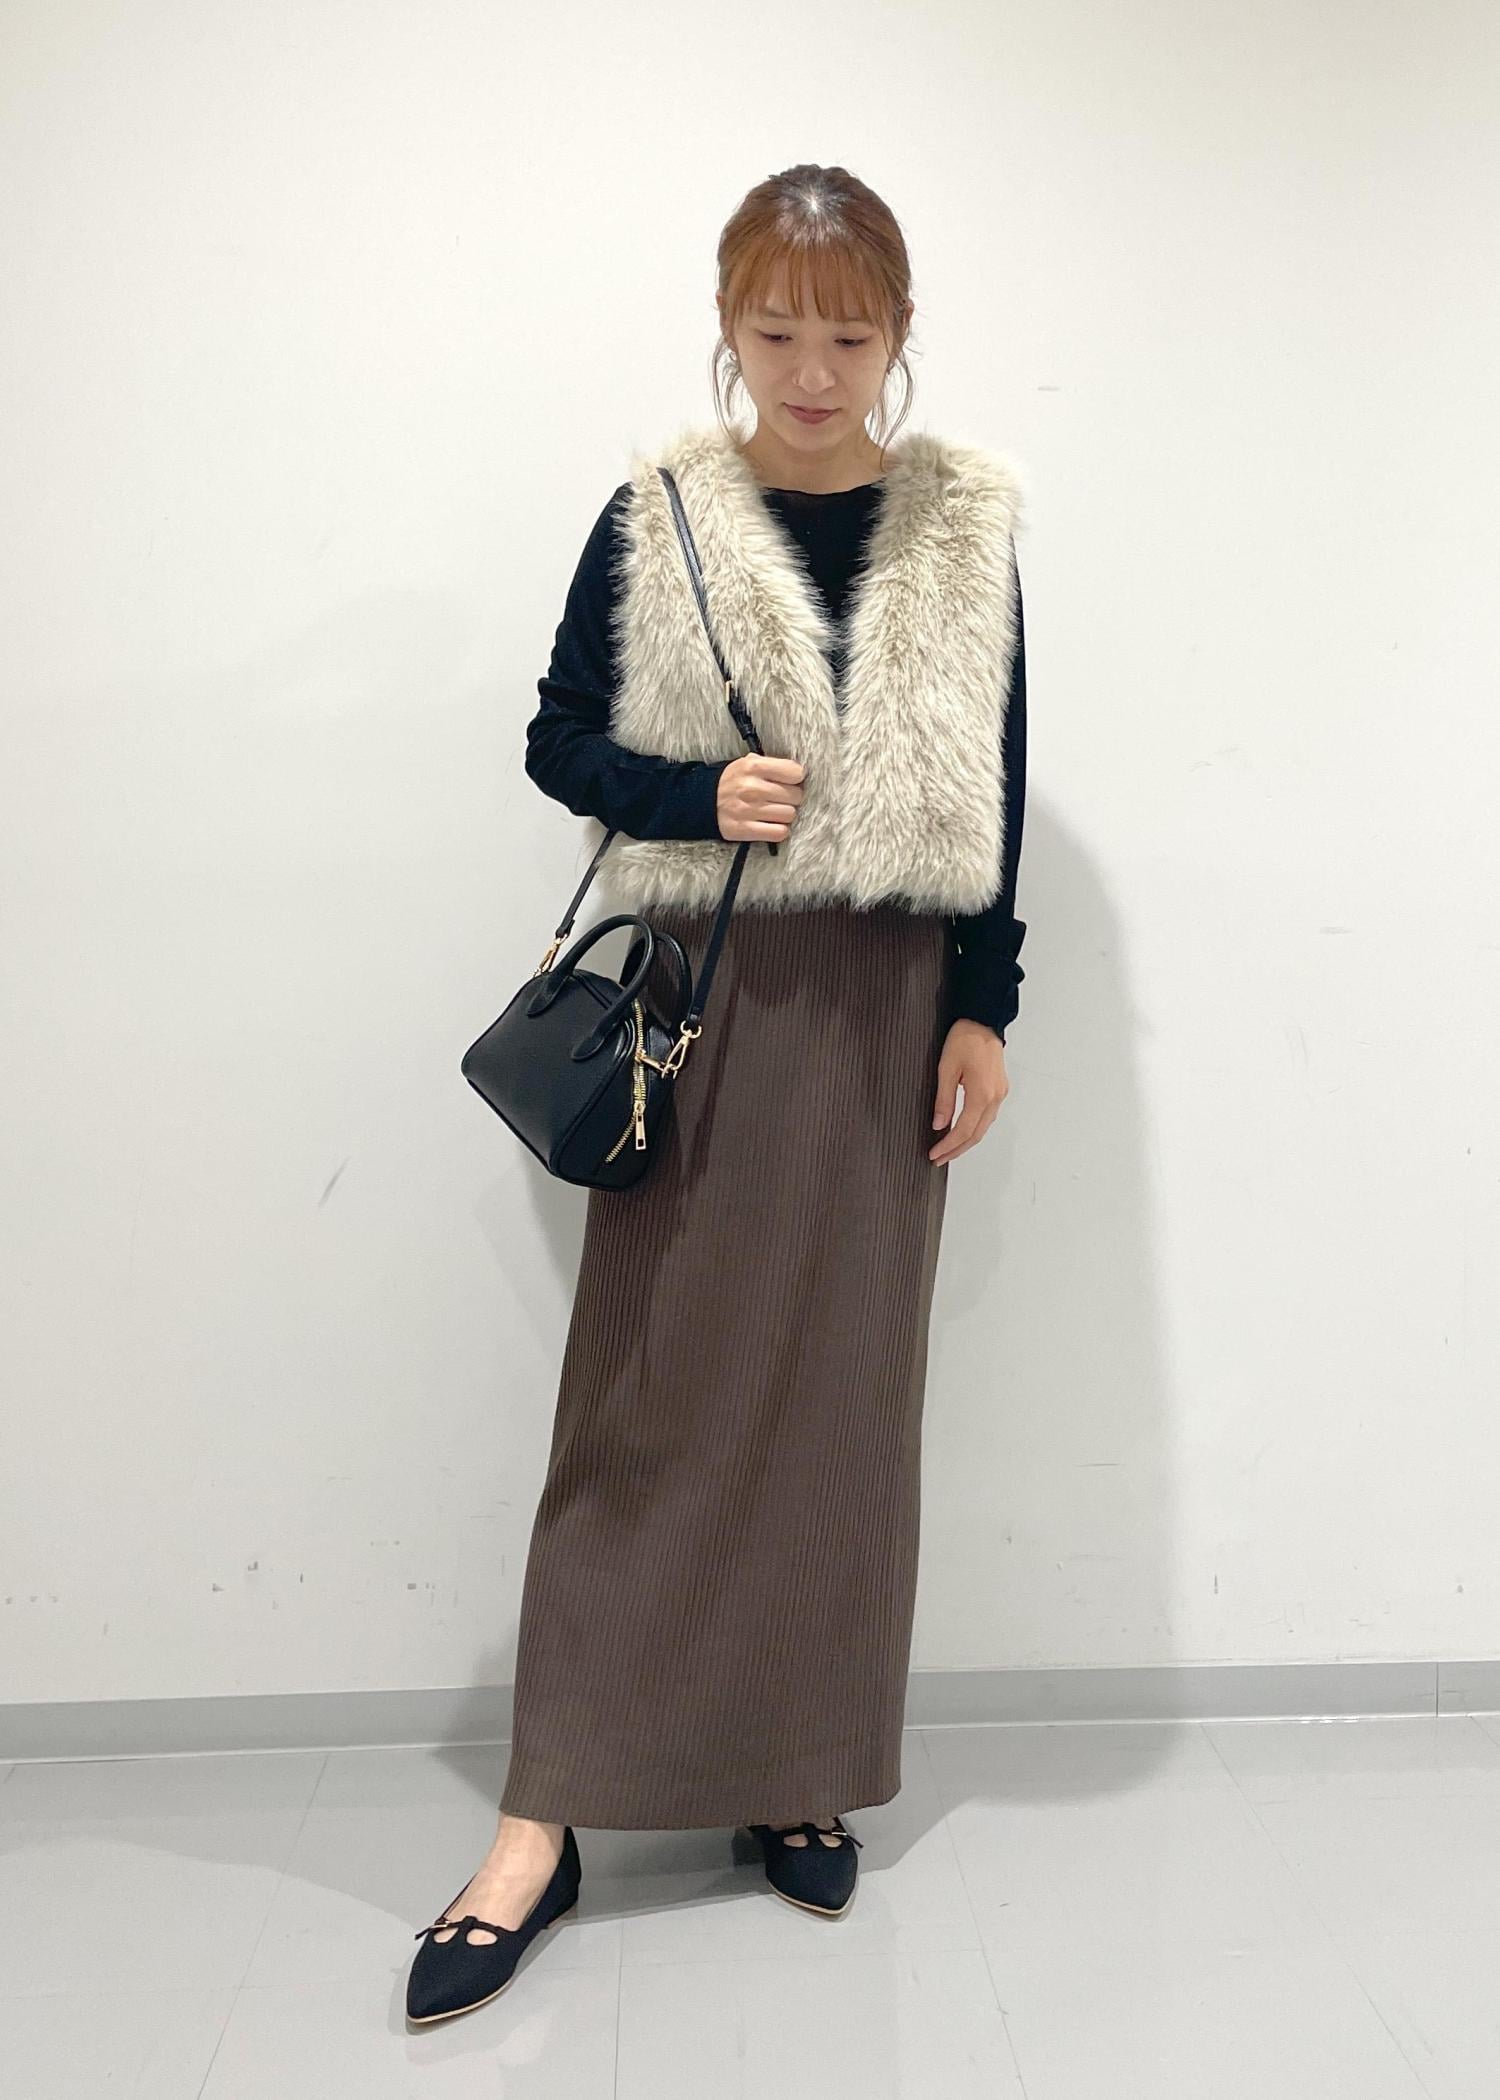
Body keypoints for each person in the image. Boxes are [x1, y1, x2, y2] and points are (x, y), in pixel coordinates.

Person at [407, 161, 1028, 2026]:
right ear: (728, 329)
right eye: (776, 331)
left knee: (845, 1399)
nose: (811, 370)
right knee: (648, 1393)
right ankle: (543, 1818)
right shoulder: (660, 512)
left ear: (899, 335)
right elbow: (556, 736)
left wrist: (983, 1010)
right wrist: (693, 794)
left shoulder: (964, 528)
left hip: (885, 1001)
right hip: (704, 990)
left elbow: (998, 777)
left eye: (847, 334)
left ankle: (792, 1766)